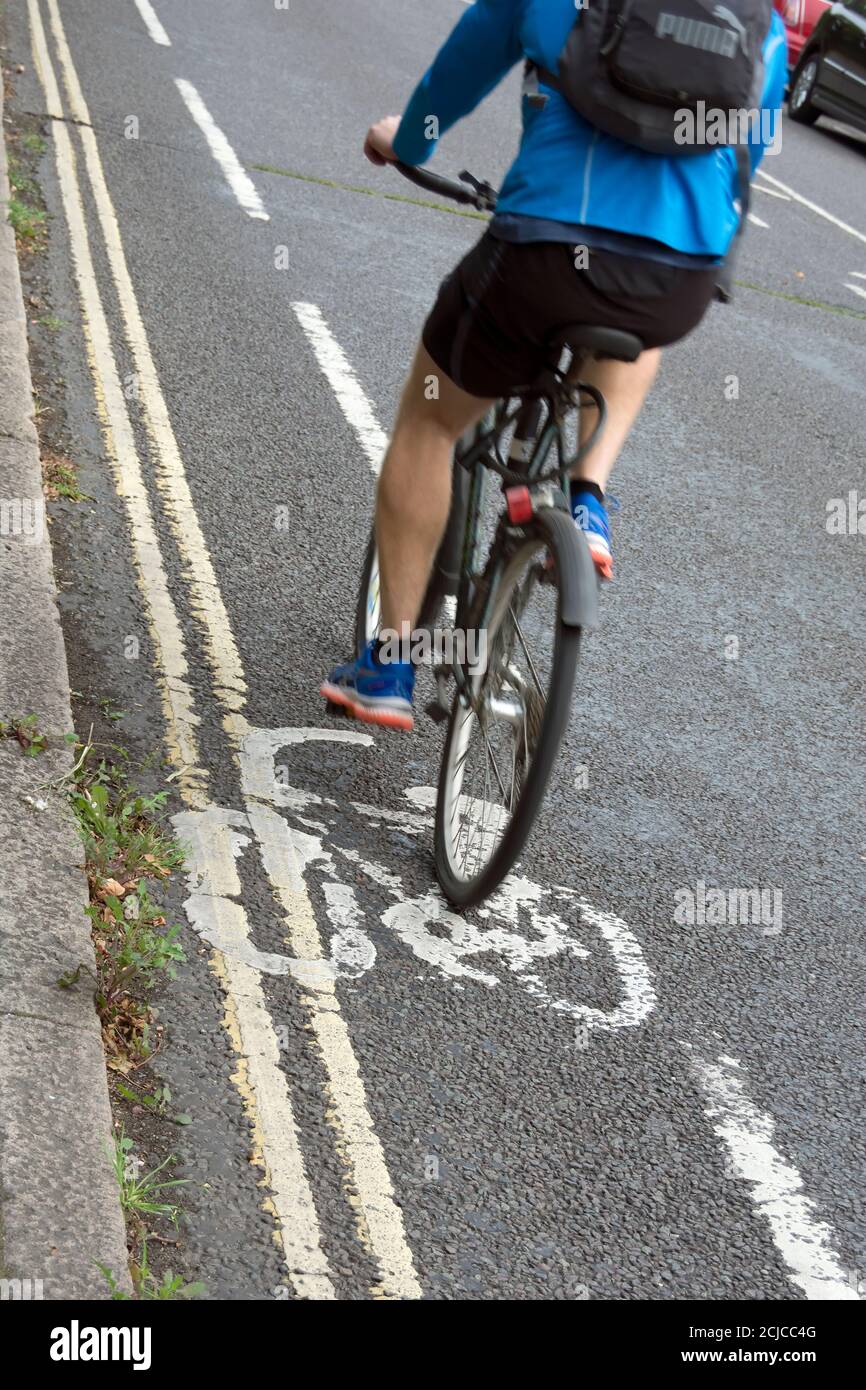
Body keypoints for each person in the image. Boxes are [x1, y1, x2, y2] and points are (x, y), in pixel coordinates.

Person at [321, 0, 787, 731]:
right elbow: (745, 154)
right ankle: (588, 496)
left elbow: (456, 77)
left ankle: (389, 663)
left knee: (431, 419)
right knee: (637, 324)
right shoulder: (754, 16)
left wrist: (405, 140)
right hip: (678, 277)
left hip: (542, 252)